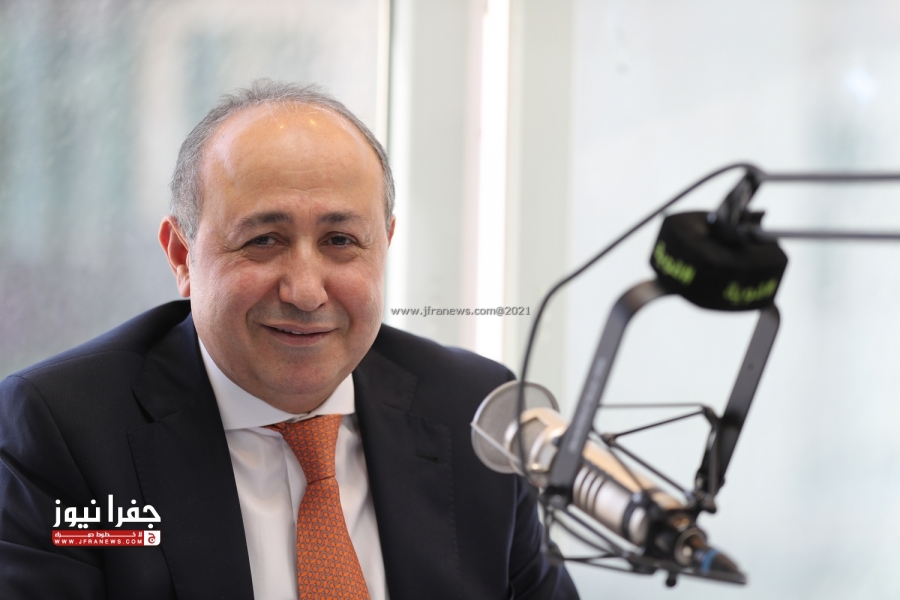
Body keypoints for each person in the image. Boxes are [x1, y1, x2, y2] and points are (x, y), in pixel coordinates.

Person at [0, 80, 578, 599]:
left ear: (384, 246)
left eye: (340, 241)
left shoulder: (475, 413)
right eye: (264, 241)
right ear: (181, 256)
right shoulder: (64, 431)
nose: (305, 291)